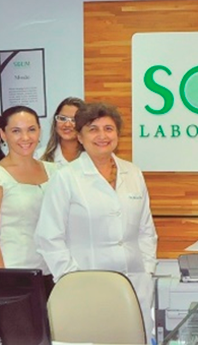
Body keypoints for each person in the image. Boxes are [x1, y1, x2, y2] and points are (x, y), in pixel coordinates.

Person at [35, 102, 157, 342]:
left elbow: (146, 230)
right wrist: (72, 278)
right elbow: (49, 236)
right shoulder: (66, 177)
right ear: (80, 137)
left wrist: (147, 268)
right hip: (85, 285)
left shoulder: (133, 173)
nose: (102, 136)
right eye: (93, 129)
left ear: (117, 134)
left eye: (108, 129)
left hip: (135, 284)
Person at [0, 106, 56, 274]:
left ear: (40, 131)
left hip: (53, 270)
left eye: (31, 129)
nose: (25, 137)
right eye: (16, 131)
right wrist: (2, 280)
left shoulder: (55, 171)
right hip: (14, 271)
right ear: (3, 134)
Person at [41, 97, 86, 165]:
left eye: (74, 120)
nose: (67, 124)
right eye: (62, 118)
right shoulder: (40, 155)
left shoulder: (93, 155)